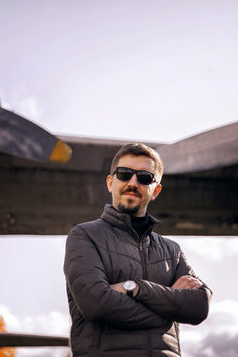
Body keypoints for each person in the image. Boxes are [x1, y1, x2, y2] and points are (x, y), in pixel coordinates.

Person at [64, 142, 212, 356]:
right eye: (124, 174)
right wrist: (169, 307)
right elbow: (96, 303)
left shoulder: (172, 251)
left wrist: (135, 288)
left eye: (144, 178)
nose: (133, 183)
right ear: (110, 182)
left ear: (156, 191)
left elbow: (199, 306)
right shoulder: (84, 236)